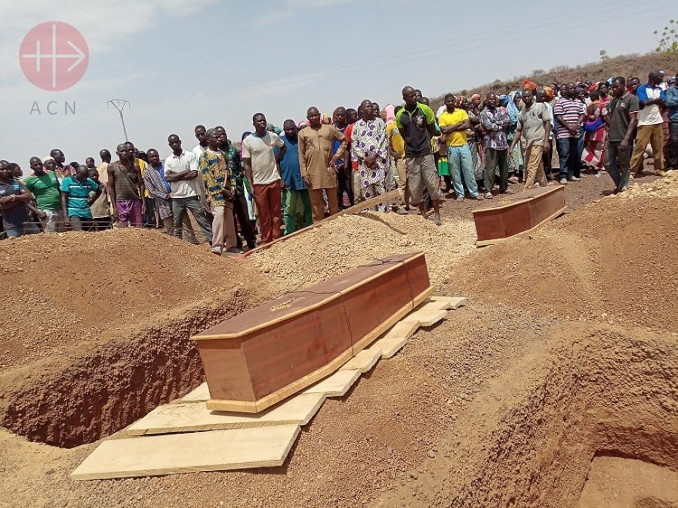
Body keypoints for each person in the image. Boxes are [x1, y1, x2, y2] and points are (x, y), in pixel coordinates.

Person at [395, 86, 442, 225]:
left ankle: (437, 214)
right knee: (415, 188)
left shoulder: (425, 110)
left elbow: (433, 130)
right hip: (411, 155)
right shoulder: (400, 115)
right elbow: (404, 135)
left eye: (415, 95)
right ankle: (423, 215)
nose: (414, 97)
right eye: (410, 96)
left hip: (426, 152)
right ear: (404, 98)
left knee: (432, 184)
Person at [297, 106, 347, 222]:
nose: (314, 118)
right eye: (311, 116)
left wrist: (336, 156)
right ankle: (319, 228)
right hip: (312, 172)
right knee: (316, 204)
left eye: (316, 115)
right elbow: (301, 155)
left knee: (333, 201)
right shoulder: (303, 133)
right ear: (308, 118)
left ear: (319, 115)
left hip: (328, 169)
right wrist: (304, 174)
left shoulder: (329, 129)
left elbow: (344, 140)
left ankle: (335, 224)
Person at [242, 113, 285, 244]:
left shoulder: (273, 136)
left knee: (276, 211)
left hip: (273, 179)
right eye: (259, 121)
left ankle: (276, 238)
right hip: (259, 183)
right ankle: (267, 240)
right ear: (254, 124)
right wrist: (250, 185)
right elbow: (247, 165)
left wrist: (276, 159)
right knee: (263, 214)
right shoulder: (247, 141)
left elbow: (283, 147)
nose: (262, 123)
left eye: (264, 121)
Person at [216, 126, 257, 251]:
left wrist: (238, 179)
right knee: (231, 221)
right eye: (218, 135)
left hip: (238, 189)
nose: (222, 137)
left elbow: (241, 167)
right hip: (225, 192)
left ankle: (251, 242)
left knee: (244, 217)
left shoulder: (233, 150)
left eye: (223, 134)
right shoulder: (215, 154)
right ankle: (237, 244)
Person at [164, 134, 211, 244]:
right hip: (176, 196)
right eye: (172, 143)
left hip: (191, 194)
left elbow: (194, 174)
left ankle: (213, 242)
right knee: (177, 224)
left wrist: (175, 176)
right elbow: (168, 178)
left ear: (180, 142)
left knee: (202, 220)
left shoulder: (190, 155)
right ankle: (178, 245)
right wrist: (185, 171)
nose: (175, 144)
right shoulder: (168, 160)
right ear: (169, 145)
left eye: (176, 142)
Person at [199, 128, 239, 255]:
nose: (218, 139)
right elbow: (208, 177)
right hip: (215, 193)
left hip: (227, 192)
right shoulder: (204, 156)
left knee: (229, 218)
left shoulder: (222, 154)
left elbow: (230, 171)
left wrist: (232, 189)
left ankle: (232, 245)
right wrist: (222, 191)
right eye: (215, 137)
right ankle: (217, 245)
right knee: (219, 215)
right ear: (208, 139)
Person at [438, 93, 482, 201]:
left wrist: (451, 128)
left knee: (469, 170)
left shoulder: (461, 112)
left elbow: (467, 125)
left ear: (455, 102)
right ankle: (460, 194)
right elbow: (444, 130)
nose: (450, 103)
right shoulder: (443, 116)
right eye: (448, 101)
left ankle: (474, 192)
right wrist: (458, 125)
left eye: (452, 101)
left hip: (464, 145)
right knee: (455, 172)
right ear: (445, 103)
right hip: (451, 147)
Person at [351, 99, 390, 210]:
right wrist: (365, 158)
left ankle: (384, 217)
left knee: (381, 191)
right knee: (367, 193)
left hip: (378, 163)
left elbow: (383, 140)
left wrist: (374, 156)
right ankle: (373, 218)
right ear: (362, 110)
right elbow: (354, 144)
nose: (370, 108)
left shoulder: (379, 122)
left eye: (371, 106)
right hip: (365, 165)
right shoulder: (357, 126)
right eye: (367, 107)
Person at [509, 88, 552, 191]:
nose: (527, 98)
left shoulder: (540, 107)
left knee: (531, 166)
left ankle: (527, 189)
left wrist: (546, 140)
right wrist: (512, 146)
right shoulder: (521, 114)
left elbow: (547, 123)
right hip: (529, 142)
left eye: (529, 96)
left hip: (539, 140)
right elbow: (519, 131)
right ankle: (545, 187)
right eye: (524, 97)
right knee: (538, 167)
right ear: (522, 99)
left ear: (532, 97)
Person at [603, 77, 640, 194]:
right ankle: (621, 185)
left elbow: (633, 120)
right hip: (612, 137)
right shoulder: (615, 100)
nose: (613, 89)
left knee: (624, 165)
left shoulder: (632, 99)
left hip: (623, 137)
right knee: (607, 163)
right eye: (612, 87)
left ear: (624, 86)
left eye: (616, 87)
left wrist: (626, 138)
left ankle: (622, 188)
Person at [276, 119, 312, 234]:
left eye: (292, 129)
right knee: (289, 209)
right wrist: (280, 179)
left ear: (296, 129)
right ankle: (289, 232)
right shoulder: (280, 143)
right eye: (287, 129)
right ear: (284, 130)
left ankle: (311, 228)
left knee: (309, 206)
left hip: (305, 179)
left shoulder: (301, 140)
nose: (290, 131)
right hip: (289, 180)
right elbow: (275, 161)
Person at [630, 70, 667, 177]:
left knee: (658, 146)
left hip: (657, 121)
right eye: (659, 77)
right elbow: (643, 102)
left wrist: (651, 101)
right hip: (645, 122)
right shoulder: (642, 88)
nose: (661, 79)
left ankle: (659, 168)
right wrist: (656, 100)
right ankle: (632, 170)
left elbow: (663, 101)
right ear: (653, 78)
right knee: (640, 146)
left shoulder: (660, 88)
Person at [553, 83, 586, 184]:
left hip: (575, 132)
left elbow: (582, 114)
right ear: (565, 90)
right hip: (564, 133)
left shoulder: (578, 102)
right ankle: (563, 175)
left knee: (573, 154)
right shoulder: (560, 102)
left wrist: (577, 124)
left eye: (573, 88)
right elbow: (558, 117)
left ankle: (570, 174)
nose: (572, 90)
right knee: (564, 154)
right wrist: (568, 127)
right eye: (570, 88)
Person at [480, 93, 511, 198]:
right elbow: (488, 126)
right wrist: (500, 125)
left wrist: (497, 123)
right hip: (491, 144)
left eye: (494, 99)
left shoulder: (500, 110)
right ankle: (488, 190)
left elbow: (508, 120)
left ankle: (503, 188)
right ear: (487, 100)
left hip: (503, 143)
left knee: (504, 168)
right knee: (491, 168)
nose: (492, 101)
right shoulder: (484, 113)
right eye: (490, 99)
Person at [107, 143, 145, 228]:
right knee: (122, 229)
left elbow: (141, 184)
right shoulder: (112, 167)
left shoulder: (135, 166)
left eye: (126, 151)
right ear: (117, 153)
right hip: (120, 202)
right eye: (122, 151)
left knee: (138, 227)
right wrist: (114, 207)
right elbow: (111, 188)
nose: (125, 153)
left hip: (134, 200)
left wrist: (143, 203)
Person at [24, 156, 65, 232]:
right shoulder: (29, 180)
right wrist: (37, 212)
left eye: (40, 164)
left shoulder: (52, 173)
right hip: (45, 210)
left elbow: (59, 190)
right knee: (50, 237)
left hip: (59, 209)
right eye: (35, 165)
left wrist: (64, 209)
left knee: (62, 236)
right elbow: (25, 199)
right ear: (31, 167)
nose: (38, 166)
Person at [0, 160, 38, 237]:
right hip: (12, 225)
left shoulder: (16, 183)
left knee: (39, 242)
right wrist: (21, 200)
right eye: (2, 169)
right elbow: (3, 206)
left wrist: (12, 197)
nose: (5, 171)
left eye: (7, 169)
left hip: (27, 221)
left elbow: (29, 196)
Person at [143, 148, 174, 235]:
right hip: (162, 203)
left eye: (156, 156)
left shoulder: (166, 165)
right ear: (148, 159)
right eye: (152, 157)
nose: (155, 158)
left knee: (184, 222)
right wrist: (166, 196)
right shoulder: (147, 173)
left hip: (176, 198)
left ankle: (192, 243)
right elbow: (151, 191)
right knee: (170, 226)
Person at [60, 165, 100, 231]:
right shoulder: (67, 181)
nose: (84, 178)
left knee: (90, 234)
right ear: (77, 172)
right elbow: (63, 198)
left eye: (86, 176)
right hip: (73, 212)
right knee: (79, 232)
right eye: (82, 176)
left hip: (86, 212)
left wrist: (92, 201)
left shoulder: (89, 181)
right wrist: (65, 215)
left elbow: (98, 190)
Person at [387, 105, 410, 211]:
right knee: (402, 182)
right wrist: (392, 153)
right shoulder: (391, 126)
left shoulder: (408, 124)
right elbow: (386, 142)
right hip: (400, 157)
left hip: (410, 156)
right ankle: (401, 205)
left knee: (410, 181)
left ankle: (409, 203)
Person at [581, 90, 607, 172]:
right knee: (600, 149)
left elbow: (585, 118)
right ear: (598, 97)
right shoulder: (601, 106)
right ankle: (600, 165)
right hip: (600, 130)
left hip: (590, 131)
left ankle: (593, 163)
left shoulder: (588, 107)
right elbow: (605, 117)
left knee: (591, 148)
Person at [332, 107, 353, 208]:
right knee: (337, 189)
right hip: (334, 164)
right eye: (338, 115)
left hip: (347, 164)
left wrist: (344, 162)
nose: (340, 117)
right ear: (335, 116)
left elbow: (349, 147)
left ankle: (354, 210)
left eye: (342, 115)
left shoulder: (349, 128)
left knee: (349, 188)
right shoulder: (331, 129)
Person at [666, 75, 678, 171]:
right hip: (675, 119)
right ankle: (672, 164)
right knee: (674, 140)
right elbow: (668, 102)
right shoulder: (671, 90)